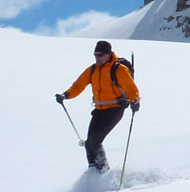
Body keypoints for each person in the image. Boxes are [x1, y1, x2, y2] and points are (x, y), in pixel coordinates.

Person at [56, 40, 140, 172]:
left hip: (115, 109)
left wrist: (135, 101)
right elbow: (79, 85)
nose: (97, 58)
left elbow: (131, 89)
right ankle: (93, 170)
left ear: (108, 54)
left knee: (95, 141)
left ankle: (103, 171)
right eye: (95, 55)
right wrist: (65, 95)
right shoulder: (92, 70)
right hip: (99, 110)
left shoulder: (119, 69)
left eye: (100, 55)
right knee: (89, 143)